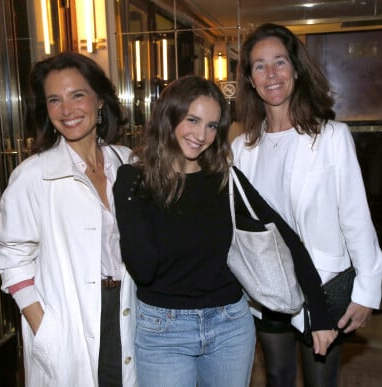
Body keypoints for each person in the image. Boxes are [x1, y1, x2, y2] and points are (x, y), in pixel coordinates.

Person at [113, 74, 338, 387]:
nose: (201, 135)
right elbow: (144, 267)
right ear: (169, 116)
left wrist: (321, 314)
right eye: (192, 120)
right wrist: (131, 194)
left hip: (229, 325)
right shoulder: (134, 181)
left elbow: (286, 238)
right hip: (164, 330)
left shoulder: (225, 180)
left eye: (212, 125)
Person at [231, 23, 382, 387]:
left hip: (324, 283)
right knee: (277, 376)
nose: (271, 74)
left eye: (279, 62)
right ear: (250, 80)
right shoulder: (242, 149)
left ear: (296, 70)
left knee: (320, 381)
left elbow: (355, 217)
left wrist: (367, 290)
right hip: (267, 288)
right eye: (259, 66)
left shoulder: (331, 137)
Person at [0, 52, 138, 387]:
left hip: (127, 309)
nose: (67, 110)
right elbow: (11, 257)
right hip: (68, 319)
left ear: (100, 100)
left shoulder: (126, 163)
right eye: (54, 100)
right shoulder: (33, 175)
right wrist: (43, 326)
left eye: (77, 95)